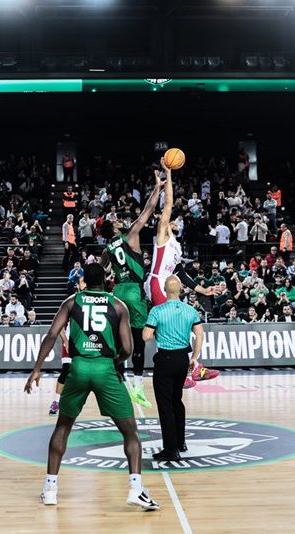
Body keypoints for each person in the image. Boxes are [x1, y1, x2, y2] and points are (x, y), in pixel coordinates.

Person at [24, 264, 158, 510]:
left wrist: (36, 368)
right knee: (130, 433)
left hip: (78, 368)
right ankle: (135, 489)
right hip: (105, 368)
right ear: (107, 281)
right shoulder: (119, 305)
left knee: (63, 427)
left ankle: (50, 488)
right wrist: (112, 361)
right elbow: (128, 349)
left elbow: (52, 334)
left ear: (84, 279)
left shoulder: (72, 302)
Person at [144, 161, 219, 389]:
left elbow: (182, 274)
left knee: (179, 324)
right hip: (157, 283)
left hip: (166, 285)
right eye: (170, 220)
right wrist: (168, 175)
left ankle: (190, 367)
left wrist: (202, 289)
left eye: (175, 221)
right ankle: (189, 370)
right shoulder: (163, 237)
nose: (173, 221)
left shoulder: (176, 246)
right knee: (171, 323)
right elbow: (168, 204)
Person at [100, 175, 165, 409]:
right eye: (115, 219)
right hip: (134, 292)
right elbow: (147, 210)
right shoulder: (131, 235)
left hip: (117, 292)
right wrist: (157, 188)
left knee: (118, 341)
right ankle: (137, 388)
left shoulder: (107, 248)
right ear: (114, 227)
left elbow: (100, 270)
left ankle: (115, 386)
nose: (118, 219)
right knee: (138, 342)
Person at [143, 275, 205, 461]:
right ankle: (181, 442)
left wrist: (156, 332)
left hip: (165, 358)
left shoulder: (157, 311)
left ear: (164, 289)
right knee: (177, 400)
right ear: (180, 290)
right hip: (182, 359)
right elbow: (199, 335)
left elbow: (146, 335)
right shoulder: (190, 310)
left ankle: (170, 449)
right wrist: (194, 357)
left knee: (165, 404)